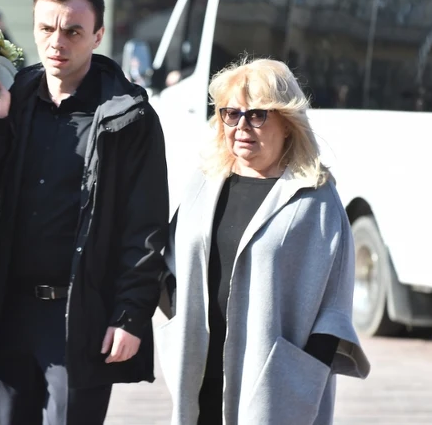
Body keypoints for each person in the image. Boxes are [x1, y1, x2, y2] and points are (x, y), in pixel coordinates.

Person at [0, 0, 169, 424]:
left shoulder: (128, 116)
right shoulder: (14, 98)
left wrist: (131, 315)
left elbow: (146, 226)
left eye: (73, 31)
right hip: (10, 311)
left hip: (80, 315)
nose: (57, 42)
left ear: (98, 36)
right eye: (47, 28)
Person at [156, 58, 370, 425]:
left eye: (257, 115)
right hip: (201, 375)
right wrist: (185, 316)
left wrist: (299, 380)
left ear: (287, 123)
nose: (241, 126)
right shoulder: (204, 183)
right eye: (230, 113)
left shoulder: (314, 198)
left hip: (273, 389)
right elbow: (168, 265)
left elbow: (333, 310)